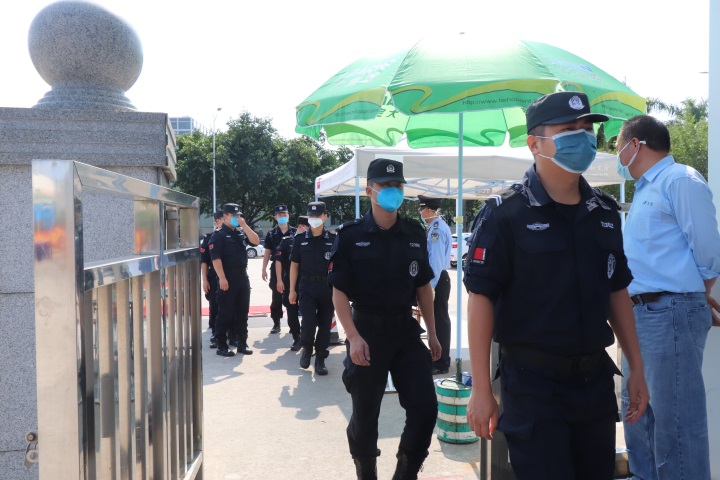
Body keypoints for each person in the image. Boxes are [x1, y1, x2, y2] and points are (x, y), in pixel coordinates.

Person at [463, 91, 649, 480]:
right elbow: (480, 298)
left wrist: (636, 366)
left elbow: (617, 291)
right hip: (533, 387)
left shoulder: (604, 212)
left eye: (587, 129)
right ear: (535, 143)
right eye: (568, 130)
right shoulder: (505, 214)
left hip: (594, 383)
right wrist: (480, 389)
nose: (582, 137)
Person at [616, 115, 720, 480]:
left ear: (636, 144)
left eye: (619, 147)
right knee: (639, 415)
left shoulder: (680, 179)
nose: (618, 156)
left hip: (668, 311)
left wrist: (694, 295)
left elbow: (708, 251)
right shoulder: (648, 187)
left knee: (676, 423)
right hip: (642, 314)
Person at [328, 158, 442, 480]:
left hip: (405, 331)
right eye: (386, 185)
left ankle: (406, 473)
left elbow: (424, 288)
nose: (393, 191)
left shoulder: (414, 233)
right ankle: (367, 473)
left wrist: (433, 333)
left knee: (425, 408)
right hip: (367, 331)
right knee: (365, 417)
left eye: (398, 185)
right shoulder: (350, 236)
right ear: (369, 191)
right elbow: (338, 292)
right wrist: (353, 337)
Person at [289, 202, 336, 375]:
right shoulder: (300, 239)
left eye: (317, 216)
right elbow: (294, 266)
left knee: (325, 325)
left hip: (327, 288)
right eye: (311, 216)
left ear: (325, 216)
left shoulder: (333, 239)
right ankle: (307, 349)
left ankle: (321, 358)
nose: (314, 219)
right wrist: (292, 290)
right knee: (308, 323)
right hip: (307, 287)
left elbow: (340, 266)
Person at [209, 203, 260, 357]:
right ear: (225, 217)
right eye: (233, 216)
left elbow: (256, 241)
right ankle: (221, 344)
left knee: (242, 312)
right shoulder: (218, 235)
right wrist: (222, 278)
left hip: (242, 277)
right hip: (227, 277)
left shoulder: (241, 232)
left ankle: (242, 342)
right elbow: (216, 258)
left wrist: (244, 225)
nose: (237, 218)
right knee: (225, 313)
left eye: (238, 215)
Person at [418, 195, 452, 375]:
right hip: (438, 278)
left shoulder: (436, 230)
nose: (420, 212)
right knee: (438, 319)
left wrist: (430, 286)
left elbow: (436, 261)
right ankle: (439, 360)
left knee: (439, 320)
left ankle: (441, 362)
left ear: (428, 210)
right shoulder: (435, 227)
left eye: (421, 209)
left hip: (437, 279)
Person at [275, 215, 310, 351]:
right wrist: (279, 280)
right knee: (291, 310)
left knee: (308, 311)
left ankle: (307, 337)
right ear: (301, 227)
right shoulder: (287, 241)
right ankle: (297, 337)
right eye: (308, 227)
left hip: (307, 281)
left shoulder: (311, 241)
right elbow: (278, 261)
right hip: (290, 281)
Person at [262, 205, 296, 334]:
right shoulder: (272, 233)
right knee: (276, 298)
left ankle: (293, 325)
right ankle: (276, 322)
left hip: (292, 268)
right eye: (280, 215)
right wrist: (263, 269)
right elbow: (267, 252)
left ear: (288, 216)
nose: (282, 217)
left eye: (284, 215)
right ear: (275, 217)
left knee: (292, 296)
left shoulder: (295, 232)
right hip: (276, 269)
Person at [200, 210, 225, 348]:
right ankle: (215, 333)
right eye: (222, 219)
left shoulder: (235, 235)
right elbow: (204, 262)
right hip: (214, 277)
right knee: (215, 305)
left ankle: (231, 334)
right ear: (216, 222)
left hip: (230, 276)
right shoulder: (209, 238)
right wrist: (204, 280)